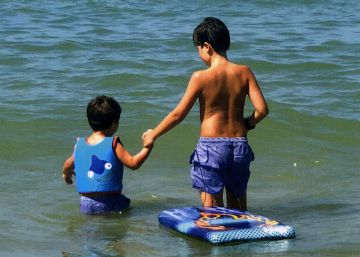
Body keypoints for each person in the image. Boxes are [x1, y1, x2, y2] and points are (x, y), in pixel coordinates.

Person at [143, 17, 268, 211]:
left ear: (207, 47)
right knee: (239, 209)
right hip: (239, 146)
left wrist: (153, 134)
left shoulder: (200, 77)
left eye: (198, 48)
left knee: (212, 211)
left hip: (212, 148)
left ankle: (216, 232)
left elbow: (178, 114)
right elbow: (262, 110)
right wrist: (247, 124)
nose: (199, 53)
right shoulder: (244, 72)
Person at [62, 95, 153, 215]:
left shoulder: (79, 145)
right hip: (111, 202)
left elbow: (68, 164)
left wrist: (66, 174)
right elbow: (133, 163)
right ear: (115, 123)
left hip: (86, 203)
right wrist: (148, 146)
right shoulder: (113, 144)